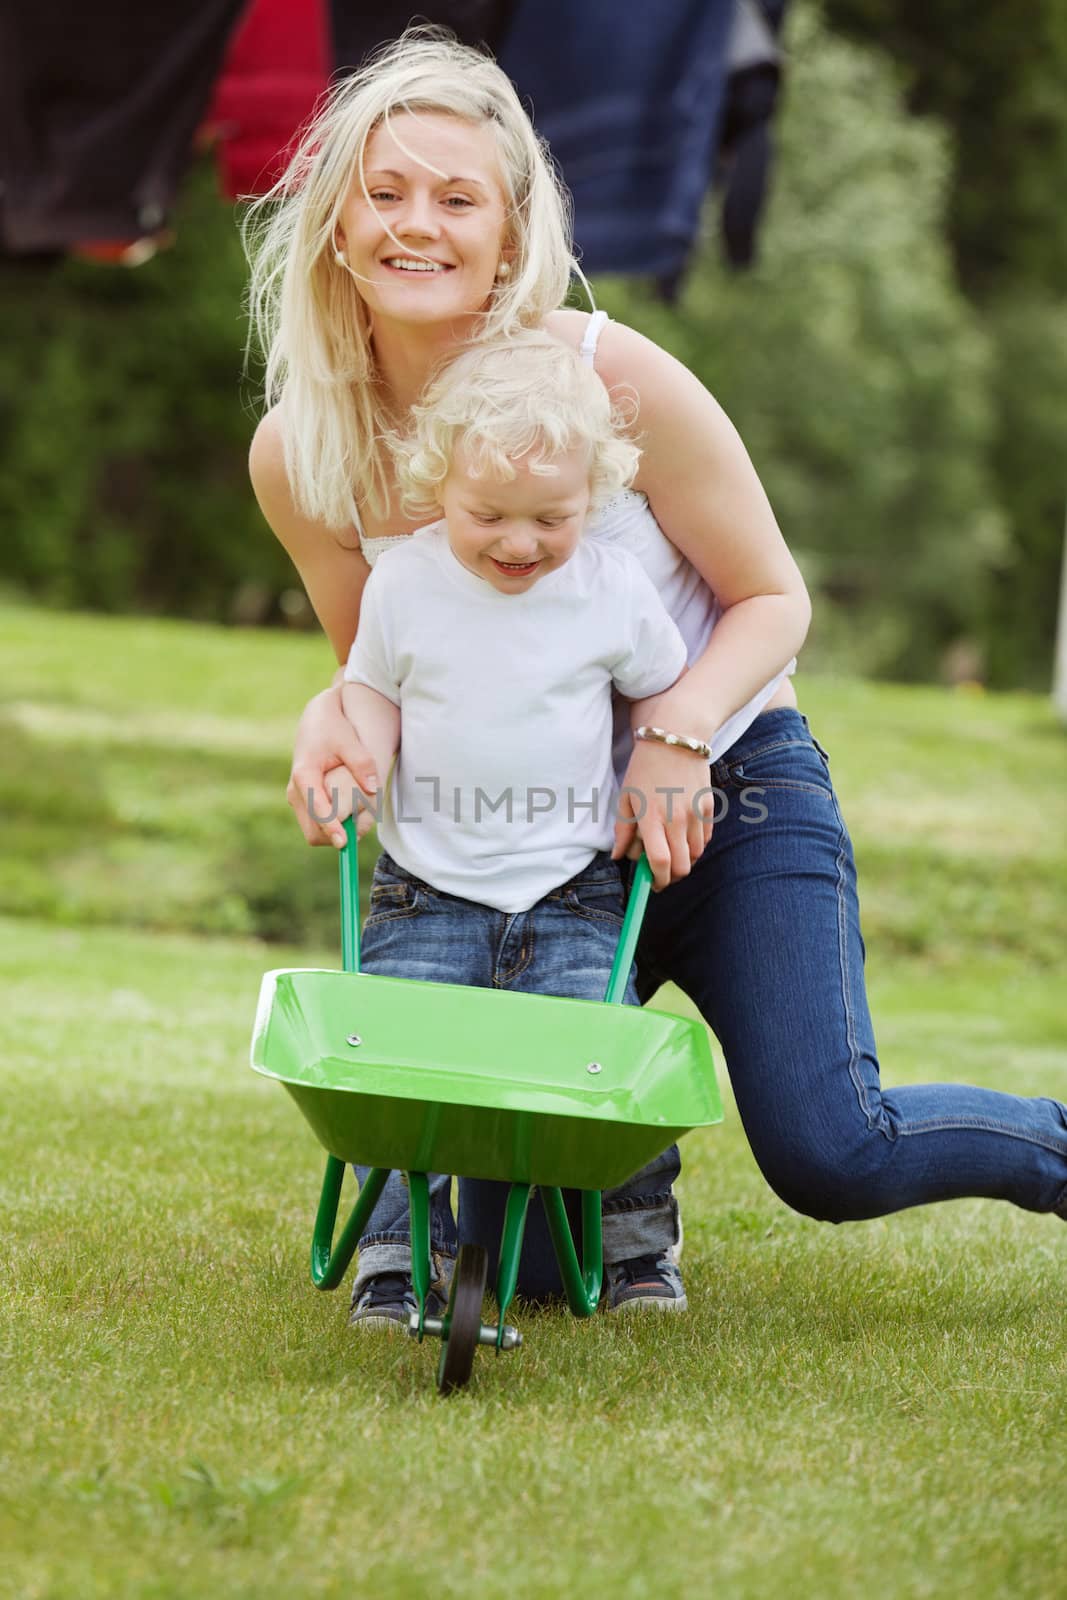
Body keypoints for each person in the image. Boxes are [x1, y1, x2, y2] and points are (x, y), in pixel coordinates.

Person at [246, 30, 1067, 1323]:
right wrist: (325, 720)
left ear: (509, 233)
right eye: (385, 192)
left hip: (727, 799)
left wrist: (675, 728)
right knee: (514, 1270)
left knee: (830, 1151)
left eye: (457, 198)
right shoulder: (303, 450)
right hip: (527, 851)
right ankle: (627, 1178)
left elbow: (770, 598)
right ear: (334, 223)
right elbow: (382, 673)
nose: (418, 225)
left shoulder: (607, 377)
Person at [339, 330, 693, 1325]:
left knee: (603, 1057)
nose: (518, 541)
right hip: (426, 888)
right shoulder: (406, 584)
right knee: (396, 1071)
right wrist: (355, 759)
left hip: (571, 887)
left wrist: (664, 760)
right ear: (435, 481)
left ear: (595, 492)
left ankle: (633, 1248)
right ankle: (394, 1256)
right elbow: (371, 693)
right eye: (486, 513)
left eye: (553, 517)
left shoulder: (610, 589)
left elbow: (660, 694)